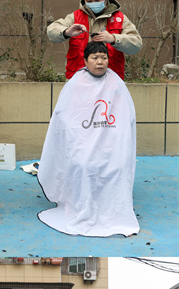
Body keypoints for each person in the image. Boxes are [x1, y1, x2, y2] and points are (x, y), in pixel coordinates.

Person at [37, 41, 138, 237]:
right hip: (81, 142)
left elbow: (126, 117)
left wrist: (114, 139)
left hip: (110, 142)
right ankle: (80, 206)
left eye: (104, 57)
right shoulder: (76, 83)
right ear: (85, 61)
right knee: (84, 164)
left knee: (116, 166)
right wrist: (80, 140)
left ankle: (112, 211)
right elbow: (65, 117)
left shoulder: (116, 83)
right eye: (95, 57)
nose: (100, 62)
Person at [47, 0, 142, 80]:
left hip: (111, 82)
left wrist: (114, 39)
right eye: (89, 0)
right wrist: (67, 32)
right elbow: (51, 31)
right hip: (79, 82)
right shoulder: (75, 17)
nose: (93, 3)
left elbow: (136, 45)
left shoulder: (119, 18)